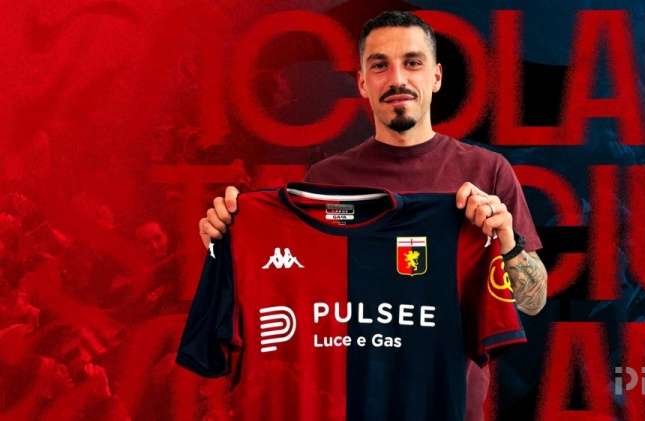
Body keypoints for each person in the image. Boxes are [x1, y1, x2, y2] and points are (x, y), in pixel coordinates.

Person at [197, 10, 548, 420]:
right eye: (380, 65)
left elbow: (534, 301)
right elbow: (293, 290)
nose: (397, 79)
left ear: (436, 76)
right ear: (362, 82)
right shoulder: (325, 180)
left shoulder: (487, 172)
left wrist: (507, 240)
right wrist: (226, 241)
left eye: (412, 62)